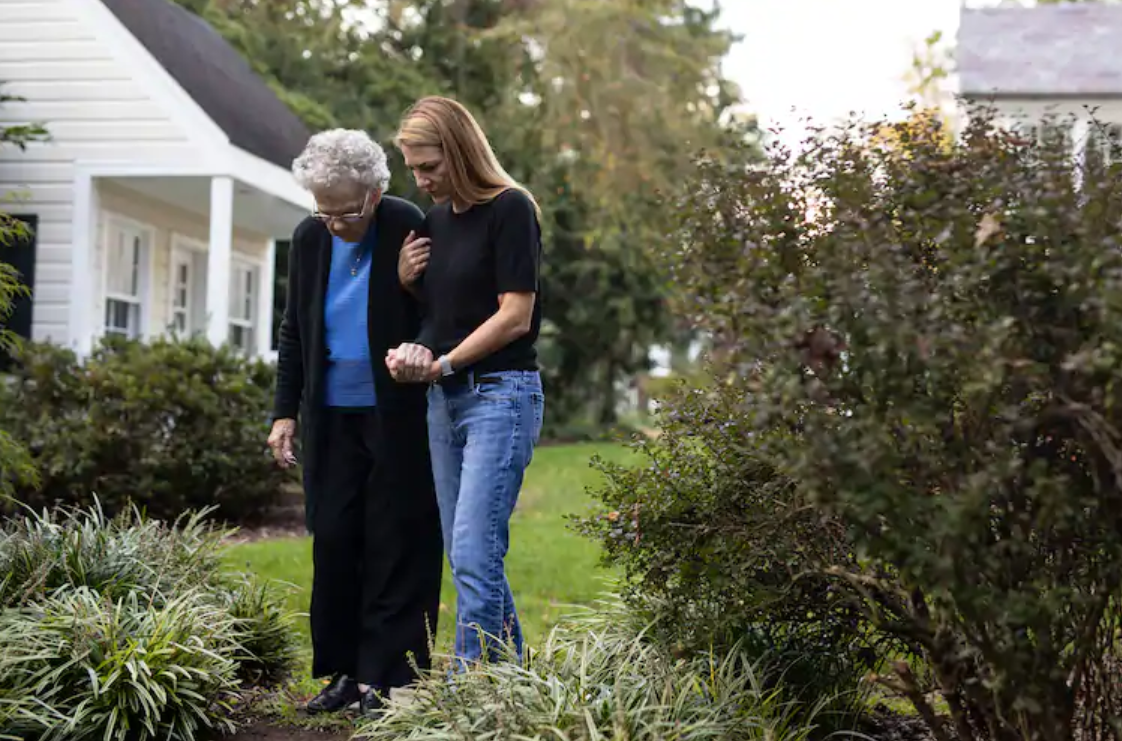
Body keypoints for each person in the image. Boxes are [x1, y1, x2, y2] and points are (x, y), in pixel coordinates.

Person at [267, 129, 443, 714]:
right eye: (321, 208)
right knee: (337, 539)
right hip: (330, 413)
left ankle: (390, 678)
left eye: (342, 211)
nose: (331, 222)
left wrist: (406, 282)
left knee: (397, 539)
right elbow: (294, 330)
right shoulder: (310, 237)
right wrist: (284, 412)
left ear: (372, 195)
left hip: (395, 412)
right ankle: (345, 672)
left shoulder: (405, 222)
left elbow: (441, 314)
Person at [386, 96, 545, 670]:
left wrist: (445, 364)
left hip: (500, 396)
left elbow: (514, 316)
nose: (421, 180)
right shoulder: (434, 223)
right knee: (467, 556)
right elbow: (443, 319)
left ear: (459, 150)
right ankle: (511, 686)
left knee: (477, 554)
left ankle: (467, 693)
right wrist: (408, 288)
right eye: (413, 168)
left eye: (429, 166)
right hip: (444, 402)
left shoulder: (511, 208)